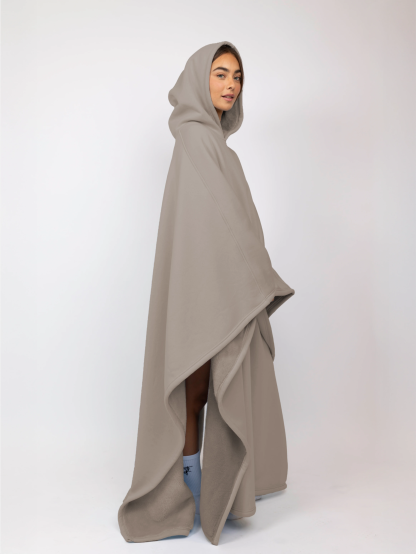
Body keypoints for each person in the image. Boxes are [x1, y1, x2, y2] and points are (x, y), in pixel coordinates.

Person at [118, 41, 295, 546]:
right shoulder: (196, 139)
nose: (231, 84)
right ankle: (187, 490)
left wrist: (251, 271)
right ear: (200, 78)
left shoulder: (216, 146)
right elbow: (215, 225)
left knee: (209, 388)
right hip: (205, 287)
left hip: (222, 284)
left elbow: (235, 222)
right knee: (194, 390)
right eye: (220, 74)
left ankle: (209, 488)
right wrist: (259, 275)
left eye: (237, 77)